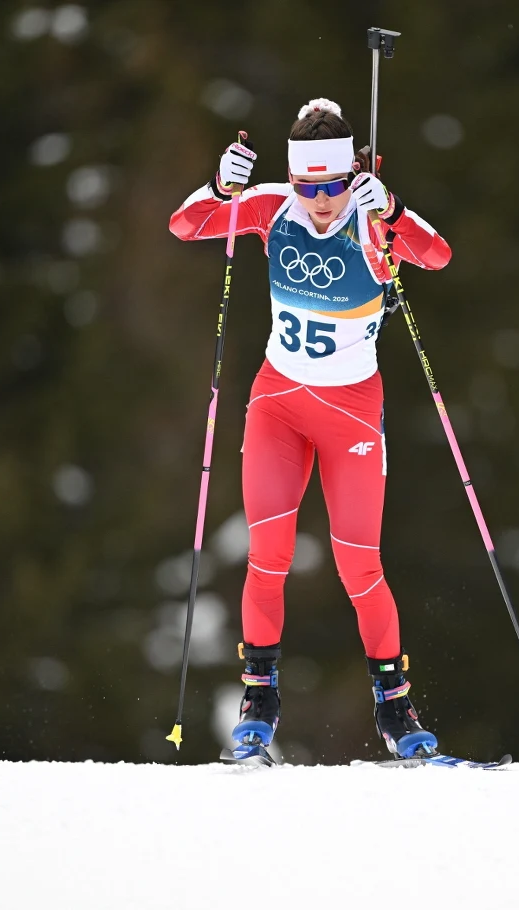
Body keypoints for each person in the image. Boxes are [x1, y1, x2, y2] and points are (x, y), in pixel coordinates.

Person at [168, 98, 452, 759]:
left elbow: (436, 256)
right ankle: (259, 695)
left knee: (360, 567)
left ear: (352, 173)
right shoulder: (273, 209)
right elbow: (187, 226)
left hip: (352, 413)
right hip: (279, 405)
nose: (320, 201)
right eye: (308, 186)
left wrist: (394, 209)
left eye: (332, 186)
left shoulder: (373, 219)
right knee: (269, 555)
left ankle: (394, 706)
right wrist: (220, 184)